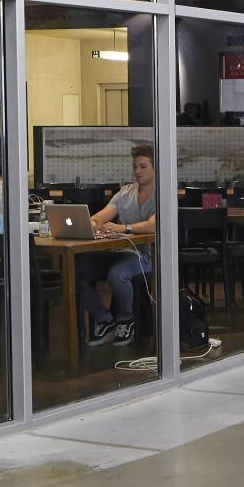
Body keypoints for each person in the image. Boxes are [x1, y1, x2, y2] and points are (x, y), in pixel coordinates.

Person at [82, 144, 156, 348]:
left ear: (155, 168)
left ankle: (126, 320)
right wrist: (93, 224)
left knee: (117, 273)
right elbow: (101, 216)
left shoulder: (162, 193)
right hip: (119, 252)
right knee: (78, 271)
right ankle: (105, 320)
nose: (137, 171)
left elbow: (153, 225)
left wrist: (124, 228)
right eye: (135, 167)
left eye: (143, 166)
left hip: (146, 255)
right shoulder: (125, 193)